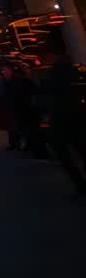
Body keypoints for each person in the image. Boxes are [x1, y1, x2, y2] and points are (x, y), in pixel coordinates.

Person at [41, 43, 86, 195]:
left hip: (62, 117)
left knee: (64, 152)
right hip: (74, 116)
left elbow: (52, 96)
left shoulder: (56, 73)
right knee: (79, 148)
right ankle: (80, 183)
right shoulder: (74, 69)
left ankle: (79, 184)